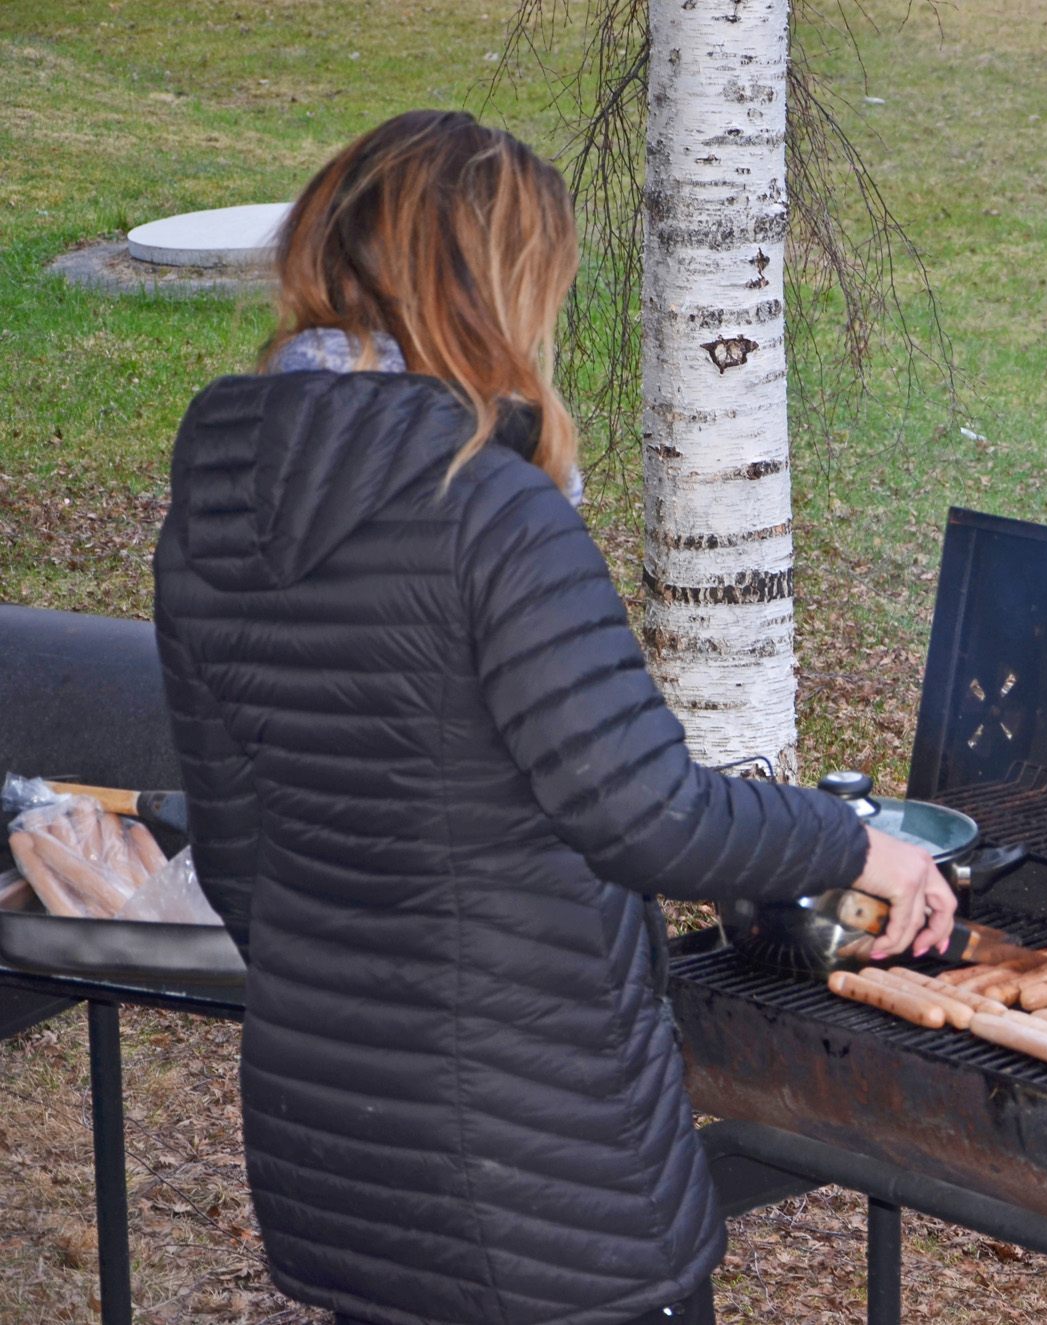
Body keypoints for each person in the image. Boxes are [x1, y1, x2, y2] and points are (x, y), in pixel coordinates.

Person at [151, 109, 955, 1325]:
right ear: (495, 286)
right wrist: (858, 845)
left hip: (333, 1150)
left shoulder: (211, 504)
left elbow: (244, 857)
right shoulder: (494, 511)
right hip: (541, 1176)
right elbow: (647, 813)